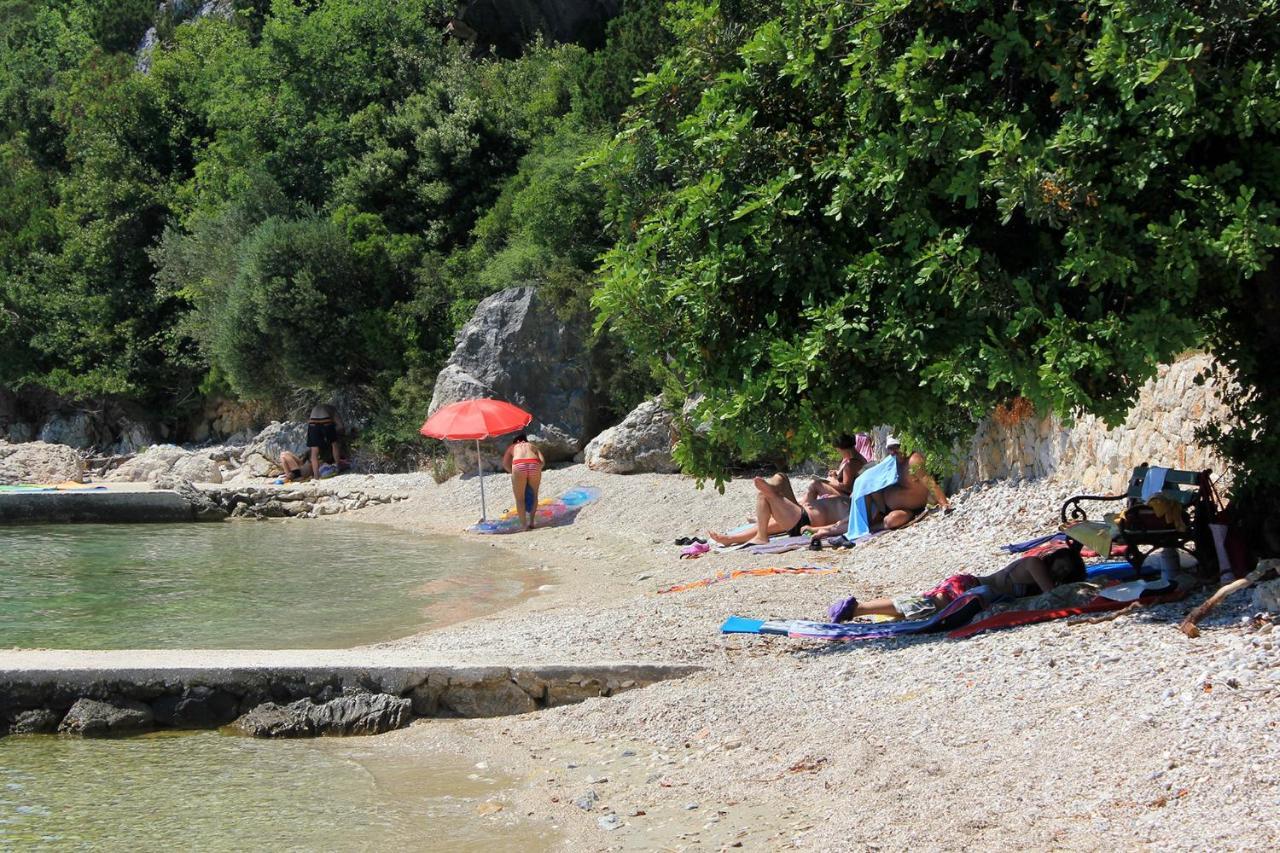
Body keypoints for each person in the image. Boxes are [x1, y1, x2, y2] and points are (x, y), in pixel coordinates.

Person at [826, 544, 1088, 623]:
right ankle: (857, 608)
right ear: (1053, 560)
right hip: (970, 586)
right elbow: (1050, 595)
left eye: (1066, 572)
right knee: (927, 604)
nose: (1061, 573)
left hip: (973, 587)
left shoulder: (1039, 568)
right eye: (1061, 566)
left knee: (925, 605)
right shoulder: (1036, 565)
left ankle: (861, 609)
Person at [809, 435, 951, 541]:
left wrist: (945, 505)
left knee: (891, 521)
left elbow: (929, 482)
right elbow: (872, 477)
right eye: (891, 448)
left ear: (905, 445)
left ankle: (826, 531)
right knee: (858, 518)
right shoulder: (893, 461)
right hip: (882, 503)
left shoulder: (913, 461)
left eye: (897, 447)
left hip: (908, 509)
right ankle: (825, 530)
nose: (894, 451)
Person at [708, 474, 851, 547]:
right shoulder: (848, 499)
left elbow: (842, 526)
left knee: (764, 495)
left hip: (804, 522)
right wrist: (833, 480)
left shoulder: (858, 511)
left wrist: (815, 530)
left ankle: (761, 535)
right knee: (781, 477)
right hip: (801, 512)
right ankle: (732, 539)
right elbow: (816, 486)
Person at [278, 404, 346, 482]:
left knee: (314, 451)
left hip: (313, 422)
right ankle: (338, 466)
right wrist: (335, 433)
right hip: (326, 420)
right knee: (334, 444)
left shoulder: (317, 408)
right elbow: (340, 426)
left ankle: (316, 476)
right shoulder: (332, 409)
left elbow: (284, 458)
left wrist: (287, 474)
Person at [804, 434, 867, 503]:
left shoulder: (850, 465)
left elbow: (846, 488)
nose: (840, 453)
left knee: (815, 484)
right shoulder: (860, 458)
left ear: (843, 449)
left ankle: (804, 508)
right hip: (856, 494)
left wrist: (827, 482)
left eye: (839, 451)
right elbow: (851, 479)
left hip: (848, 499)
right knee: (827, 479)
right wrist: (836, 476)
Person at [502, 434, 545, 530]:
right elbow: (542, 461)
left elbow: (505, 464)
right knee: (534, 495)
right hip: (534, 463)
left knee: (520, 499)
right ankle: (532, 522)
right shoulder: (532, 446)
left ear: (516, 441)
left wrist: (513, 473)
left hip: (519, 464)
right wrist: (536, 470)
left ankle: (524, 526)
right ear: (525, 441)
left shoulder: (512, 447)